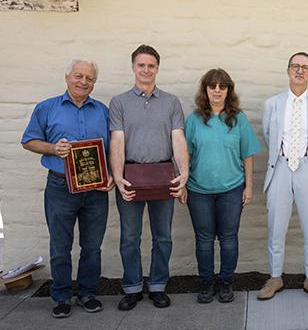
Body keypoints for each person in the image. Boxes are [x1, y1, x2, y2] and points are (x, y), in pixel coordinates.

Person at [21, 59, 114, 318]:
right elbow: (28, 141)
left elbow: (111, 148)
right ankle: (61, 296)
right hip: (60, 185)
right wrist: (53, 148)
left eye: (90, 79)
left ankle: (88, 293)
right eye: (79, 76)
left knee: (92, 246)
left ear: (94, 83)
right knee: (61, 246)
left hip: (95, 188)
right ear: (67, 77)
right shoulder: (47, 108)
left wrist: (112, 175)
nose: (83, 82)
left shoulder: (102, 111)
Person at [109, 45, 189, 310]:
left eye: (151, 66)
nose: (146, 70)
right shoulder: (119, 102)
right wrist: (118, 177)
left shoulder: (171, 102)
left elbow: (178, 138)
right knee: (130, 237)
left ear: (157, 68)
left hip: (163, 175)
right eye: (141, 65)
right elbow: (117, 140)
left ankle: (157, 286)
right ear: (133, 67)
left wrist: (184, 172)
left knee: (162, 236)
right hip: (131, 176)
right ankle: (132, 287)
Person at [181, 69, 261, 304]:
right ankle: (206, 284)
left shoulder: (239, 119)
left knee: (228, 238)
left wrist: (249, 187)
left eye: (222, 86)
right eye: (212, 86)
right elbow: (184, 154)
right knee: (204, 239)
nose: (217, 90)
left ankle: (226, 283)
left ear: (228, 90)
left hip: (232, 189)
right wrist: (183, 184)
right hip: (198, 190)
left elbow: (247, 154)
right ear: (205, 89)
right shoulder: (194, 120)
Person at [258, 52, 308, 301]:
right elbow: (268, 134)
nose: (300, 71)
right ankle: (275, 277)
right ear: (288, 70)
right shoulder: (273, 103)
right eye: (295, 66)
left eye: (305, 67)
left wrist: (306, 158)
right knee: (276, 227)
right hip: (279, 166)